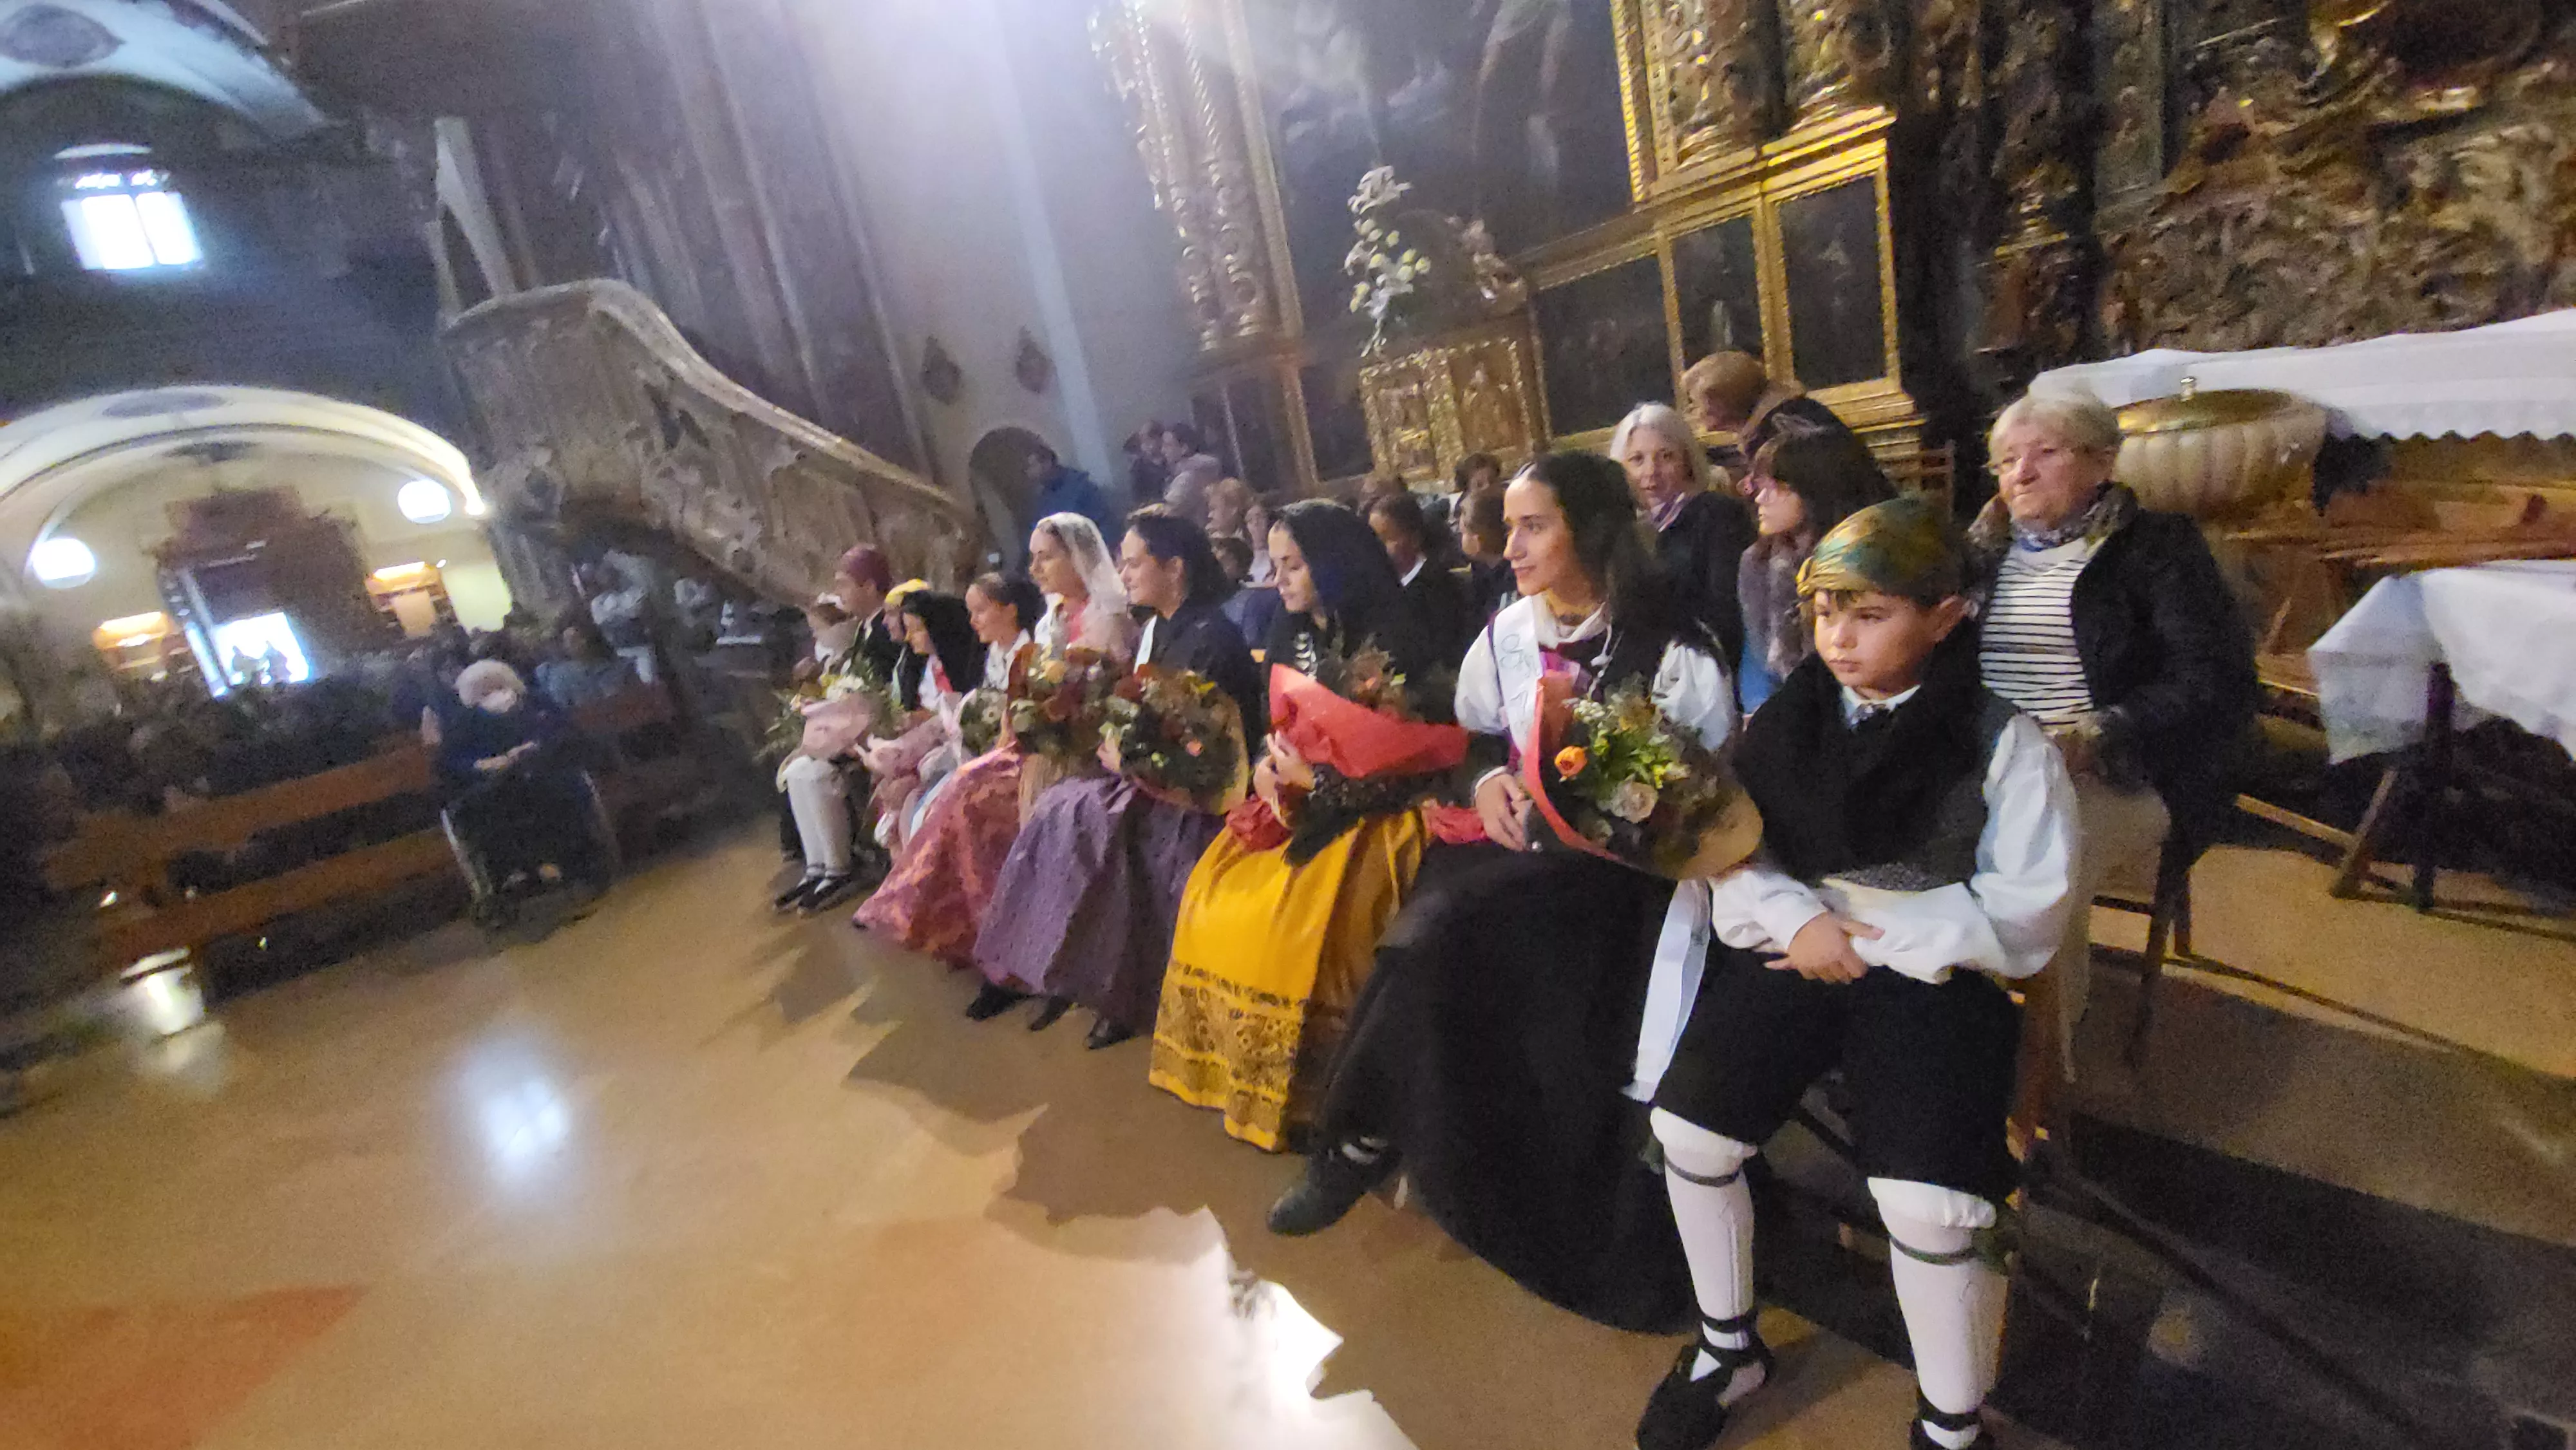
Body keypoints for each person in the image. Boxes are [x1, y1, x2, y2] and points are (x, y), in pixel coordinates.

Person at [1632, 495, 2079, 1450]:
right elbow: (1734, 846)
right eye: (1826, 612)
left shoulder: (2003, 741)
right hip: (1797, 953)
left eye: (1870, 614)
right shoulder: (1787, 720)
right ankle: (1727, 1346)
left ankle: (1952, 1425)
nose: (1838, 637)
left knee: (1927, 1200)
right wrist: (1796, 917)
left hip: (1936, 975)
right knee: (1691, 1132)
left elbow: (2028, 906)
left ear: (1946, 616)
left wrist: (1862, 928)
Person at [1265, 452, 1738, 1333]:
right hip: (1518, 854)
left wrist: (1627, 816)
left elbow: (1710, 792)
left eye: (1533, 526)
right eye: (1509, 526)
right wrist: (1486, 783)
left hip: (1621, 883)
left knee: (1439, 940)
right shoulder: (1512, 631)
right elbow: (1476, 736)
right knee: (1428, 939)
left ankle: (1360, 1138)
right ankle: (1367, 1137)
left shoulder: (1673, 645)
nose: (1507, 545)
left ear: (1589, 530)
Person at [1966, 391, 2257, 1092]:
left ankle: (2033, 1078)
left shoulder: (2156, 547)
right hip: (1991, 764)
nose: (2021, 473)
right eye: (2006, 460)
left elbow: (2211, 677)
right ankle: (1942, 1028)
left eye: (2045, 453)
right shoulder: (1980, 552)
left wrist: (2099, 730)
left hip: (2123, 769)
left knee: (2038, 862)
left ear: (2101, 462)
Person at [1148, 500, 1448, 1151]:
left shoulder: (1399, 627)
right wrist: (1264, 768)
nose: (1278, 579)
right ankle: (1240, 1070)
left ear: (1335, 564)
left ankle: (1326, 1094)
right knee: (1212, 891)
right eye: (1277, 564)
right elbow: (1271, 722)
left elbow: (1424, 749)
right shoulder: (1289, 632)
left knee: (1292, 919)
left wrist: (1328, 783)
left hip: (1380, 805)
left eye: (1294, 565)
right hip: (1299, 797)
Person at [970, 507, 1263, 1046]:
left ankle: (1120, 990)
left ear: (1175, 569)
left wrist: (1128, 758)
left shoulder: (1209, 635)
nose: (1124, 574)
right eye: (1123, 564)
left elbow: (1203, 745)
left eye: (1135, 563)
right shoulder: (1161, 628)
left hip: (1200, 795)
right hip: (1155, 779)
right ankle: (1058, 971)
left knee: (1098, 831)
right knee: (1060, 811)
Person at [853, 573, 1046, 956]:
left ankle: (996, 934)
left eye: (980, 610)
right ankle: (956, 927)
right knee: (921, 803)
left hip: (1020, 757)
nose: (973, 620)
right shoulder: (991, 655)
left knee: (951, 804)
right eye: (971, 612)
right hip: (984, 754)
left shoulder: (1033, 652)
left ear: (1010, 611)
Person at [773, 546, 905, 914]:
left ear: (869, 585)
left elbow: (883, 691)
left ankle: (840, 867)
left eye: (846, 584)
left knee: (816, 775)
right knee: (799, 772)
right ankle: (817, 866)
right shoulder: (864, 629)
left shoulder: (885, 629)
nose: (841, 593)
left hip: (883, 731)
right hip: (858, 727)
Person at [1736, 429, 1897, 712]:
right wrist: (1764, 714)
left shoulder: (1871, 561)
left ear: (1817, 487)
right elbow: (1756, 663)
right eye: (1760, 485)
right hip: (1788, 710)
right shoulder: (1757, 563)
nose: (1761, 498)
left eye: (1780, 486)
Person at [437, 660, 612, 909]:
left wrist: (536, 746)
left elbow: (566, 732)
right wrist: (481, 764)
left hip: (546, 772)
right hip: (496, 787)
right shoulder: (462, 722)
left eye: (497, 686)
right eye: (482, 691)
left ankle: (580, 868)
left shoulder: (536, 704)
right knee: (482, 811)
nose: (492, 695)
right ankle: (513, 875)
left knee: (559, 795)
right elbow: (451, 761)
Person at [1614, 401, 1755, 670]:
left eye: (1666, 456)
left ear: (1688, 461)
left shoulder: (1718, 515)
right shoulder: (1619, 526)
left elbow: (1727, 614)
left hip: (1700, 668)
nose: (1650, 471)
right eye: (1637, 460)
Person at [862, 591, 986, 854]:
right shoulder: (926, 665)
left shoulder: (962, 668)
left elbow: (958, 721)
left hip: (958, 756)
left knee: (917, 807)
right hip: (931, 752)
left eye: (916, 630)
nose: (909, 638)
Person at [1681, 350, 1857, 471]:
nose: (1692, 409)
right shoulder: (1781, 415)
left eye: (1695, 402)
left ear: (1723, 403)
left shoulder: (1780, 430)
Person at [1367, 489, 1476, 665]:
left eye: (1386, 540)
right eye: (1373, 541)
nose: (1377, 550)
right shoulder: (1378, 589)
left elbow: (1441, 654)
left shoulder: (1440, 588)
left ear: (1415, 539)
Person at [536, 613, 640, 711]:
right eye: (570, 641)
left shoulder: (622, 667)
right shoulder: (561, 678)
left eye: (576, 639)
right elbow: (563, 710)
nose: (583, 643)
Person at [1026, 442, 1122, 546]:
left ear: (1047, 463)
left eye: (1032, 466)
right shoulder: (1043, 499)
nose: (1030, 473)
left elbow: (1105, 523)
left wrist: (1101, 553)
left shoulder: (1082, 487)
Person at [1456, 487, 1517, 621]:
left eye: (1463, 533)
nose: (1459, 538)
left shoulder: (1510, 579)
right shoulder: (1481, 568)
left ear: (1478, 541)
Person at [1162, 423, 1225, 526]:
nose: (1163, 451)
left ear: (1184, 448)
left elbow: (1166, 513)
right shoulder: (1204, 470)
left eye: (1168, 445)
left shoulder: (1187, 479)